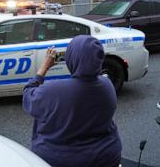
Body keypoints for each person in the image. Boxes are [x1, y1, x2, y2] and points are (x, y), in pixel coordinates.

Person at [23, 35, 122, 167]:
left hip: (59, 161)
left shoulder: (54, 90)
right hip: (106, 157)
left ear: (71, 58)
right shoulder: (107, 85)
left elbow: (27, 96)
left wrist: (44, 67)